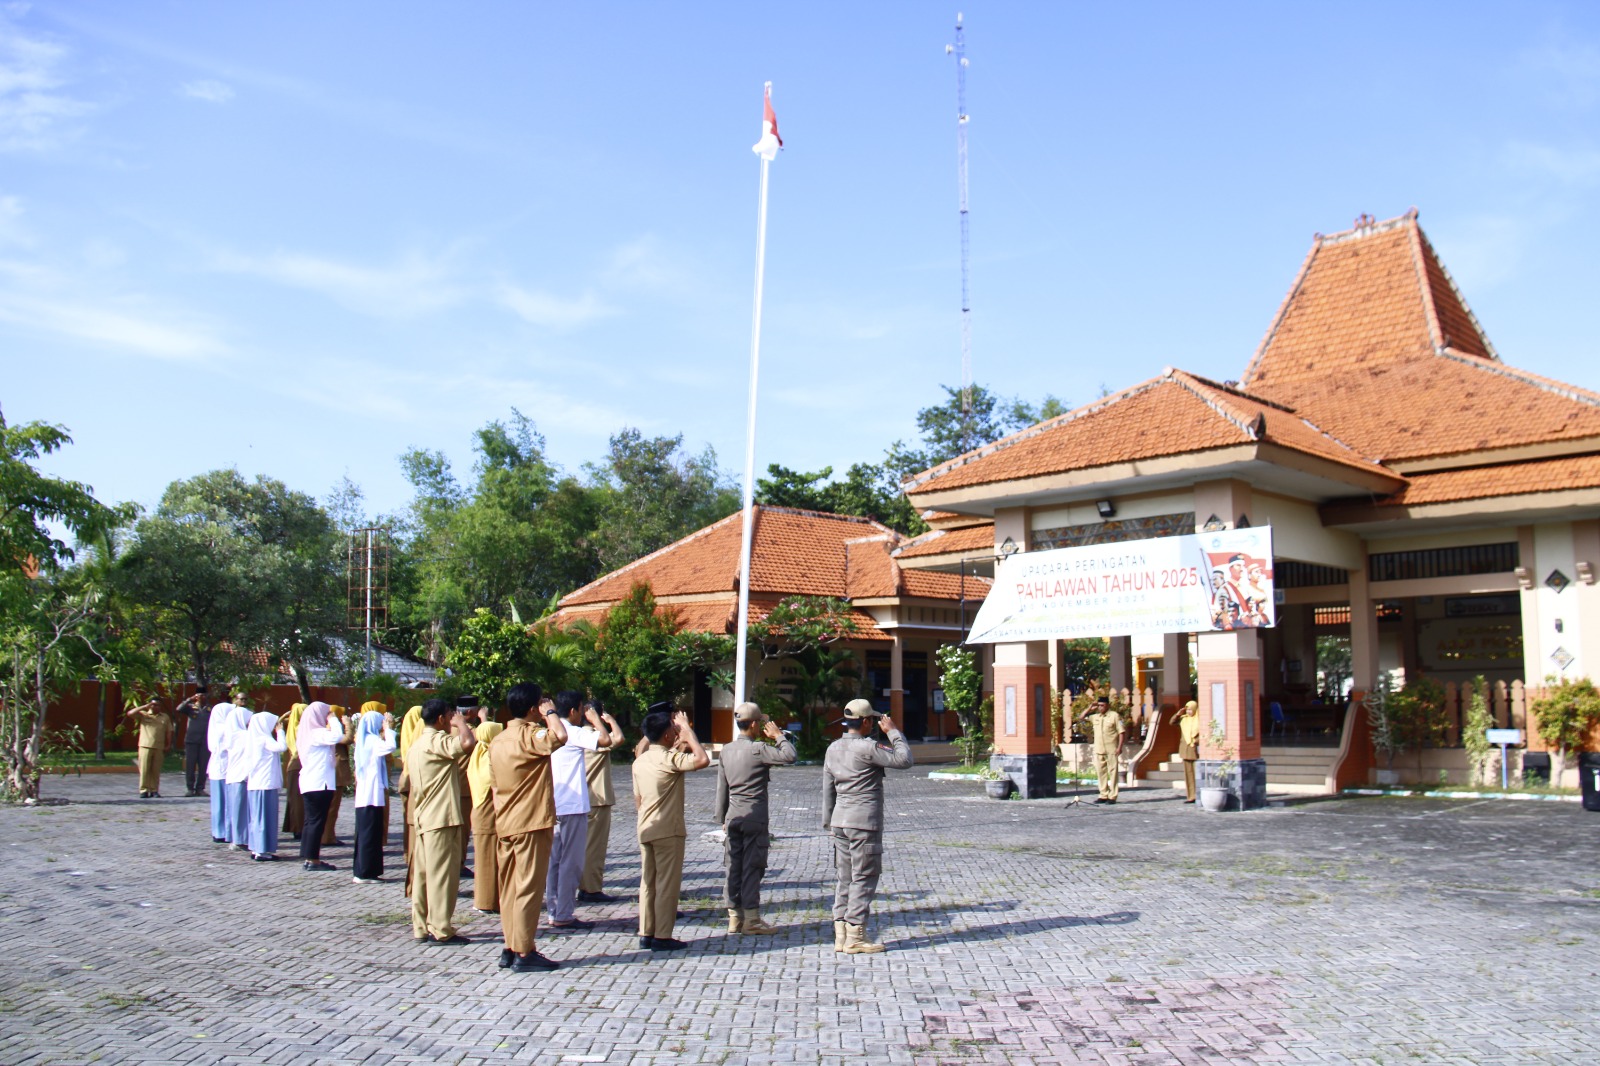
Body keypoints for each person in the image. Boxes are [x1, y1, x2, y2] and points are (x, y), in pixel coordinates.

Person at [822, 698, 914, 954]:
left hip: (840, 821)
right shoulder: (868, 747)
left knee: (845, 878)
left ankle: (840, 932)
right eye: (872, 720)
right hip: (863, 823)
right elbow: (904, 759)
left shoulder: (833, 748)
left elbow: (828, 788)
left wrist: (829, 820)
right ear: (865, 722)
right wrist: (893, 732)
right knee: (864, 877)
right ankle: (856, 934)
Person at [489, 683, 568, 972]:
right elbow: (560, 736)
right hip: (531, 822)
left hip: (507, 821)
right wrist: (551, 712)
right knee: (528, 889)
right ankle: (524, 951)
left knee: (509, 888)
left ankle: (511, 946)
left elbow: (494, 786)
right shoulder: (529, 735)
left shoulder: (498, 740)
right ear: (534, 707)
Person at [714, 701, 797, 934]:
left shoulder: (727, 749)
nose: (761, 727)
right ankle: (751, 919)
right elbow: (790, 755)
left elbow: (722, 787)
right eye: (760, 723)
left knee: (732, 866)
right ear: (752, 724)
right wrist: (779, 736)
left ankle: (734, 916)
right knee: (752, 867)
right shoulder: (758, 749)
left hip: (733, 817)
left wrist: (722, 817)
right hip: (755, 818)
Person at [633, 703, 709, 952]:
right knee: (667, 883)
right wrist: (687, 729)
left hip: (645, 827)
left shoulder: (640, 761)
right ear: (667, 735)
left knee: (648, 882)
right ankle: (662, 936)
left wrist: (681, 736)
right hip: (668, 829)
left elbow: (638, 800)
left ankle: (646, 931)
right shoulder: (668, 759)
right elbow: (702, 759)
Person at [405, 697, 479, 945]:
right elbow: (468, 743)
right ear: (440, 719)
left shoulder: (416, 744)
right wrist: (462, 724)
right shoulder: (437, 740)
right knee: (442, 876)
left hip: (424, 817)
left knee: (423, 875)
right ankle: (441, 928)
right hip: (441, 818)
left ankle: (421, 925)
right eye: (449, 716)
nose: (451, 720)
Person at [546, 691, 613, 930]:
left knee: (554, 861)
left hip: (553, 804)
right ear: (574, 711)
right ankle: (563, 913)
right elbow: (606, 740)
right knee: (571, 862)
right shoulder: (572, 732)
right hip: (572, 805)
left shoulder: (549, 730)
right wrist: (596, 720)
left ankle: (554, 910)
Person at [578, 697, 625, 904]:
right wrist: (609, 721)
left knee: (582, 846)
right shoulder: (594, 736)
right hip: (597, 799)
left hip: (582, 797)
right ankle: (590, 888)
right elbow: (618, 738)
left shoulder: (575, 734)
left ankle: (583, 885)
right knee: (594, 849)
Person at [297, 701, 346, 871]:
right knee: (317, 822)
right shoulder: (317, 733)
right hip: (319, 783)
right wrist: (333, 720)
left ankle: (307, 855)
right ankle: (313, 859)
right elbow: (338, 736)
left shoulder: (306, 732)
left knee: (311, 821)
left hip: (311, 781)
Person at [466, 702, 505, 912]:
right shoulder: (487, 757)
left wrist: (483, 719)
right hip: (487, 813)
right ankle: (487, 901)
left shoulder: (480, 752)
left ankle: (488, 899)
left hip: (481, 812)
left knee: (485, 858)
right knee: (488, 859)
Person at [352, 706, 397, 883]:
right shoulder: (372, 740)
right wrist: (389, 729)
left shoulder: (364, 740)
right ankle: (366, 872)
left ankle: (363, 870)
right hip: (371, 794)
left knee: (365, 833)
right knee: (370, 834)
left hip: (365, 793)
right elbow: (391, 746)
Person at [243, 711, 289, 861]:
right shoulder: (264, 739)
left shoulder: (253, 739)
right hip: (265, 783)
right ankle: (263, 850)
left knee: (256, 817)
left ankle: (257, 848)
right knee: (264, 816)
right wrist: (280, 731)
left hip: (256, 783)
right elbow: (282, 747)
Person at [122, 697, 173, 799]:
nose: (155, 707)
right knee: (144, 769)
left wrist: (168, 744)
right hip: (145, 746)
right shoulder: (144, 715)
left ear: (160, 706)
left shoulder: (165, 717)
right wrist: (144, 707)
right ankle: (144, 790)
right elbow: (130, 713)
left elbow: (169, 731)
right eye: (153, 704)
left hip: (159, 746)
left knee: (155, 770)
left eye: (157, 705)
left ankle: (154, 790)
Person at [320, 704, 354, 848]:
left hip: (336, 772)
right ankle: (327, 837)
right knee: (332, 807)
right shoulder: (331, 729)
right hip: (336, 772)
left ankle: (329, 835)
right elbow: (347, 739)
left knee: (333, 807)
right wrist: (348, 725)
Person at [222, 700, 254, 849]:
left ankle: (233, 836)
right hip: (242, 775)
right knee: (241, 810)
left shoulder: (231, 734)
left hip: (232, 775)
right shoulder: (245, 736)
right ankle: (240, 839)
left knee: (233, 809)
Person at [1083, 696, 1126, 804]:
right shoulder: (1096, 717)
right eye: (1099, 705)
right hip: (1099, 749)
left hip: (1111, 748)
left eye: (1102, 705)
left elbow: (1121, 732)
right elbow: (1081, 717)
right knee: (1101, 772)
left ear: (1108, 705)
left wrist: (1119, 747)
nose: (1100, 708)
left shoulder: (1114, 716)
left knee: (1113, 772)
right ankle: (1103, 794)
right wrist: (1090, 707)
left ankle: (1113, 796)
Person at [205, 692, 235, 842]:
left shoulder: (215, 726)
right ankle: (224, 831)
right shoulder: (224, 728)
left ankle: (219, 831)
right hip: (223, 767)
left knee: (219, 802)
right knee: (225, 802)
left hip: (218, 768)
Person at [280, 702, 307, 839]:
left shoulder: (291, 726)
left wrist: (287, 715)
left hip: (292, 766)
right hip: (298, 764)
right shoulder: (301, 729)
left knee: (294, 799)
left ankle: (295, 827)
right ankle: (299, 828)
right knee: (298, 800)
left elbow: (279, 722)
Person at [176, 689, 210, 796]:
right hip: (191, 741)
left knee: (203, 766)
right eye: (200, 696)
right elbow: (179, 709)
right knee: (190, 765)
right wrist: (189, 699)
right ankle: (190, 788)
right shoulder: (190, 708)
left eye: (204, 696)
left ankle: (200, 788)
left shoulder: (210, 709)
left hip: (204, 741)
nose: (202, 698)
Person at [1177, 699, 1201, 804]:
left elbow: (1203, 734)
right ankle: (1191, 796)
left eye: (1190, 710)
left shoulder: (1199, 720)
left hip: (1194, 749)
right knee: (1188, 775)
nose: (1189, 712)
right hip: (1185, 749)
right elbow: (1171, 722)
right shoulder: (1183, 719)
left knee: (1196, 774)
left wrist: (1196, 741)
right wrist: (1178, 714)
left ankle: (1198, 795)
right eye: (1187, 710)